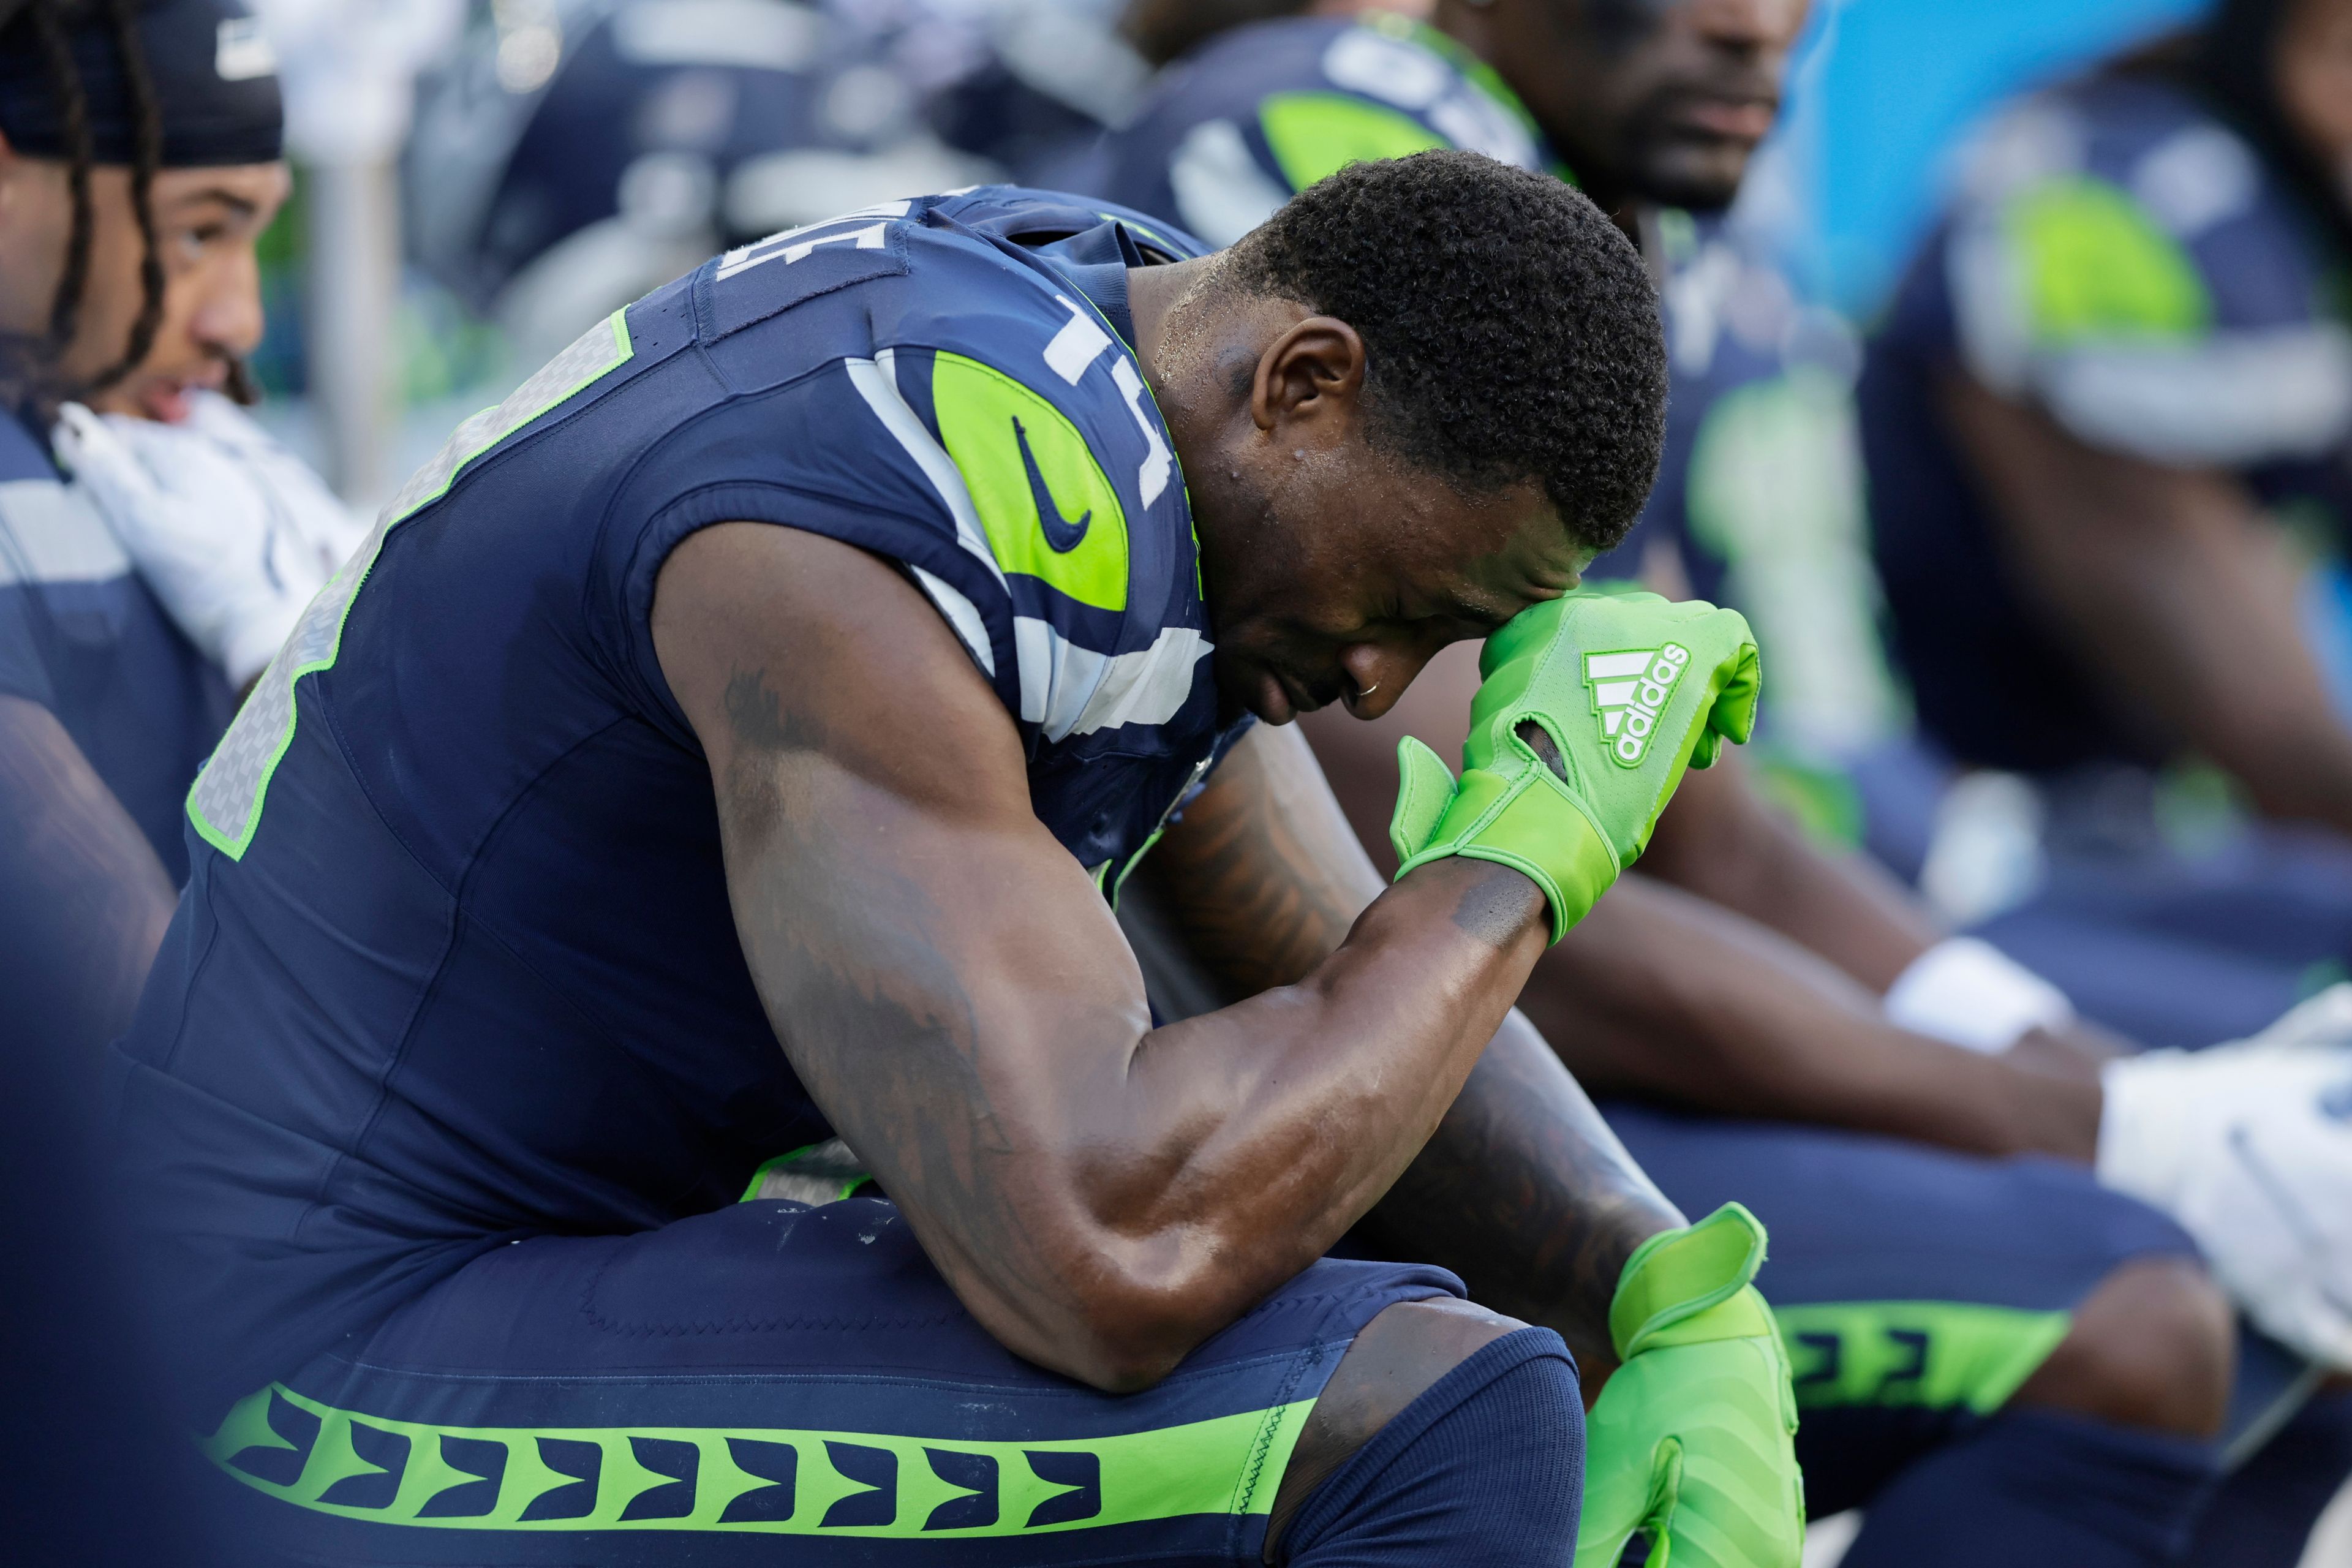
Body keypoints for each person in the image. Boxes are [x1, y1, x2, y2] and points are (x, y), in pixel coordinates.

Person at [113, 154, 1805, 1567]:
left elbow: (1305, 941)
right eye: (1412, 610)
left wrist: (1650, 1279)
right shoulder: (879, 521)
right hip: (293, 1362)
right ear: (1306, 385)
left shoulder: (1154, 385)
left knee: (1468, 1332)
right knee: (1425, 1414)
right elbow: (1105, 1256)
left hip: (552, 1270)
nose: (1381, 686)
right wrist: (1527, 849)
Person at [1085, 3, 2352, 1563]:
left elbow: (1719, 832)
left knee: (2302, 1269)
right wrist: (2101, 1126)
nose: (1758, 24)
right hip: (1342, 1098)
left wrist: (2122, 1090)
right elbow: (1451, 865)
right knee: (2146, 1311)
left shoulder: (1626, 194)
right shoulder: (1362, 143)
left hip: (1631, 975)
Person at [1860, 0, 2352, 1039]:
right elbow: (2275, 735)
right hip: (1947, 841)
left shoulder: (2296, 198)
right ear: (2326, 45)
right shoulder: (2113, 204)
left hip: (2122, 837)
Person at [0, 0, 354, 1059]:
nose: (235, 319)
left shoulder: (190, 458)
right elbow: (156, 1068)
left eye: (253, 232)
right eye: (196, 230)